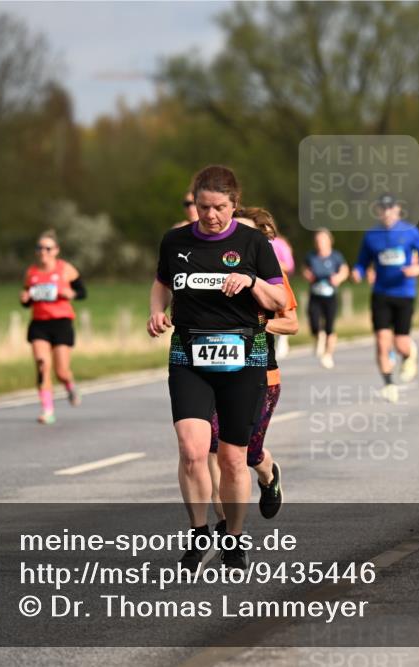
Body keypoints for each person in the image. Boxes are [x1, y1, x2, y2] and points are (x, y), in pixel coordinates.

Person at [149, 165, 287, 570]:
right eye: (204, 207)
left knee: (231, 457)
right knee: (192, 450)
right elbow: (162, 282)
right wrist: (156, 311)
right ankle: (198, 532)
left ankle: (235, 538)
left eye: (220, 208)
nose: (210, 216)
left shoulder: (253, 243)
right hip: (189, 356)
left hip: (243, 358)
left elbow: (279, 300)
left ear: (234, 204)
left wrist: (250, 283)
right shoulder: (175, 241)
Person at [208, 209, 298, 533]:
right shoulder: (217, 273)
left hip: (262, 376)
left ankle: (269, 474)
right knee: (215, 446)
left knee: (247, 452)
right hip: (218, 373)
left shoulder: (273, 277)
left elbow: (292, 323)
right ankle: (225, 524)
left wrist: (255, 325)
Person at [352, 194, 419, 403]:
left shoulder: (410, 231)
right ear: (379, 211)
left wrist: (418, 268)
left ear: (397, 210)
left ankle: (408, 354)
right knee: (381, 341)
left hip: (404, 293)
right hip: (381, 293)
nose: (387, 212)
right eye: (383, 208)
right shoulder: (371, 235)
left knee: (400, 342)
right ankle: (388, 383)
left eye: (390, 208)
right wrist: (358, 271)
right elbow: (362, 261)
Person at [20, 230, 86, 424]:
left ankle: (69, 384)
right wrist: (24, 299)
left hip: (61, 323)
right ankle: (47, 410)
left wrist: (70, 293)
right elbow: (27, 298)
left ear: (56, 250)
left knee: (61, 371)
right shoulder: (31, 272)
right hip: (39, 324)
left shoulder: (65, 269)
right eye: (39, 248)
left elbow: (82, 292)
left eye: (47, 248)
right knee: (42, 364)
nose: (43, 252)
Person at [303, 228, 349, 369]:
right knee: (314, 323)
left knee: (329, 326)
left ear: (329, 241)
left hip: (330, 295)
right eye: (317, 241)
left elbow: (345, 270)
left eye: (323, 240)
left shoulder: (336, 256)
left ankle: (328, 354)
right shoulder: (311, 256)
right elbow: (305, 268)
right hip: (315, 295)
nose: (320, 243)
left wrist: (338, 278)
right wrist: (307, 275)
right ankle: (318, 338)